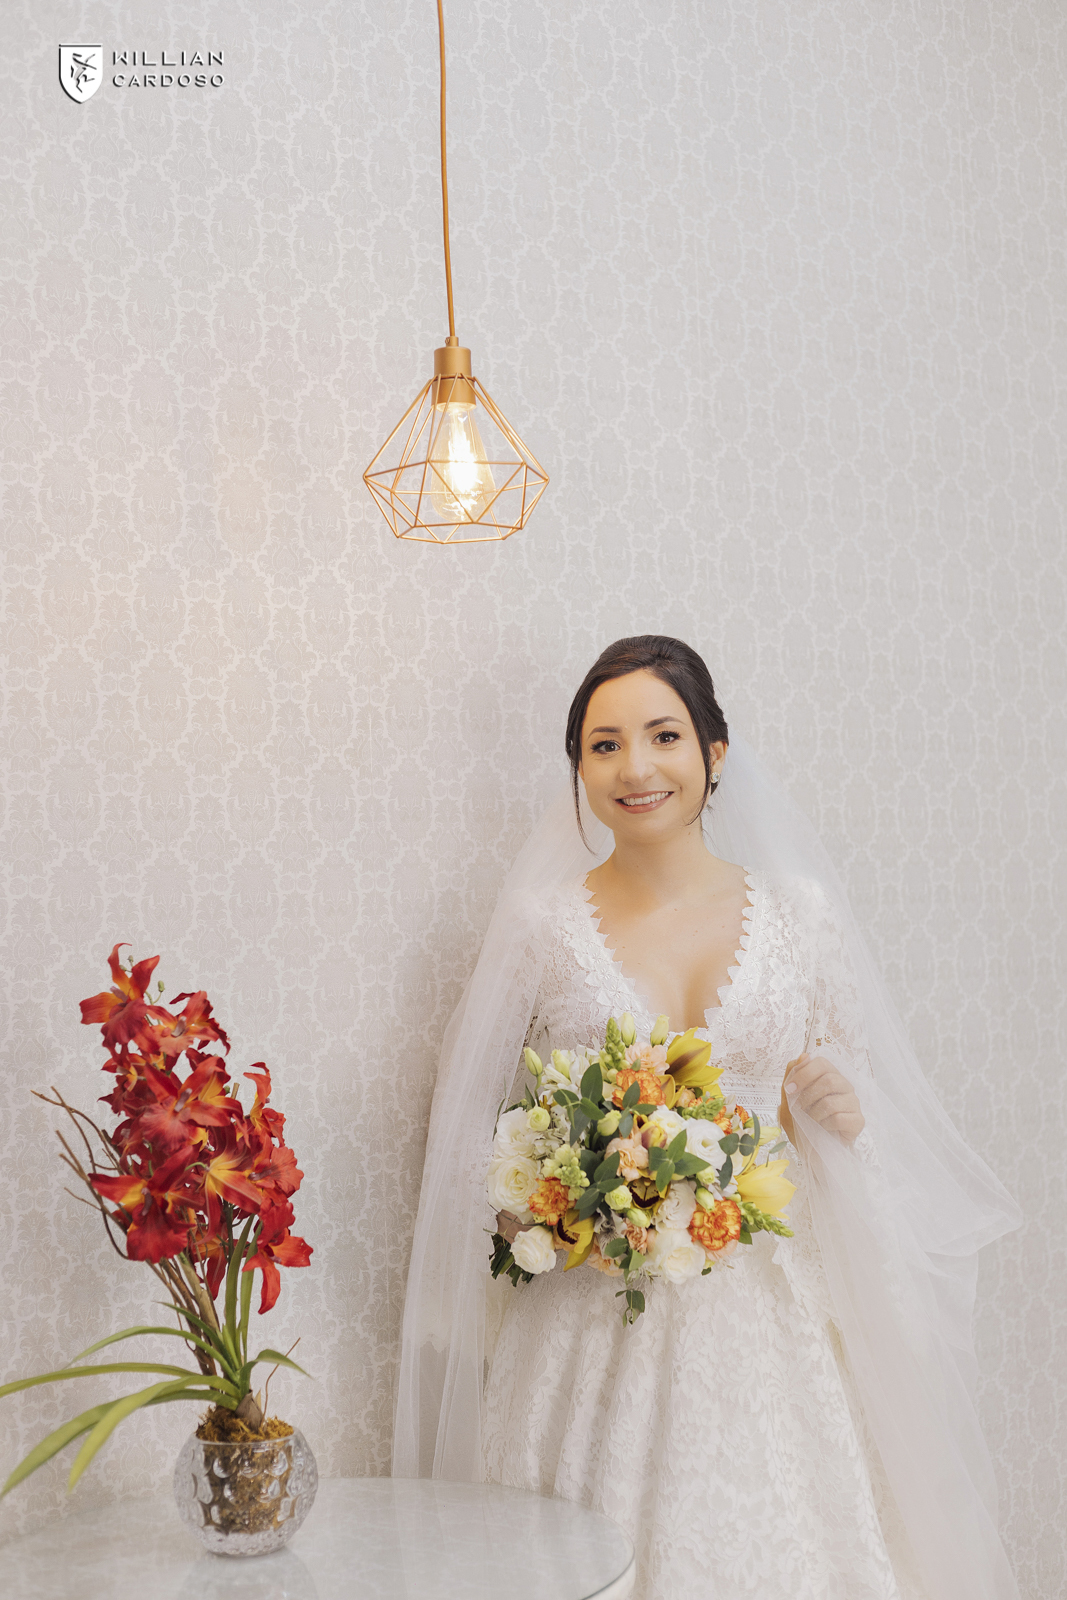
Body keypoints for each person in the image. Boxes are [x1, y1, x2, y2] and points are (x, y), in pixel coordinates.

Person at [395, 635, 1021, 1600]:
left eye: (662, 735)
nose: (634, 768)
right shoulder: (540, 926)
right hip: (592, 1300)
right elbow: (478, 1130)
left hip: (765, 1305)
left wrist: (843, 1114)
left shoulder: (800, 914)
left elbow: (851, 1107)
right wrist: (549, 1194)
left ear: (713, 754)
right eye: (602, 745)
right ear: (577, 768)